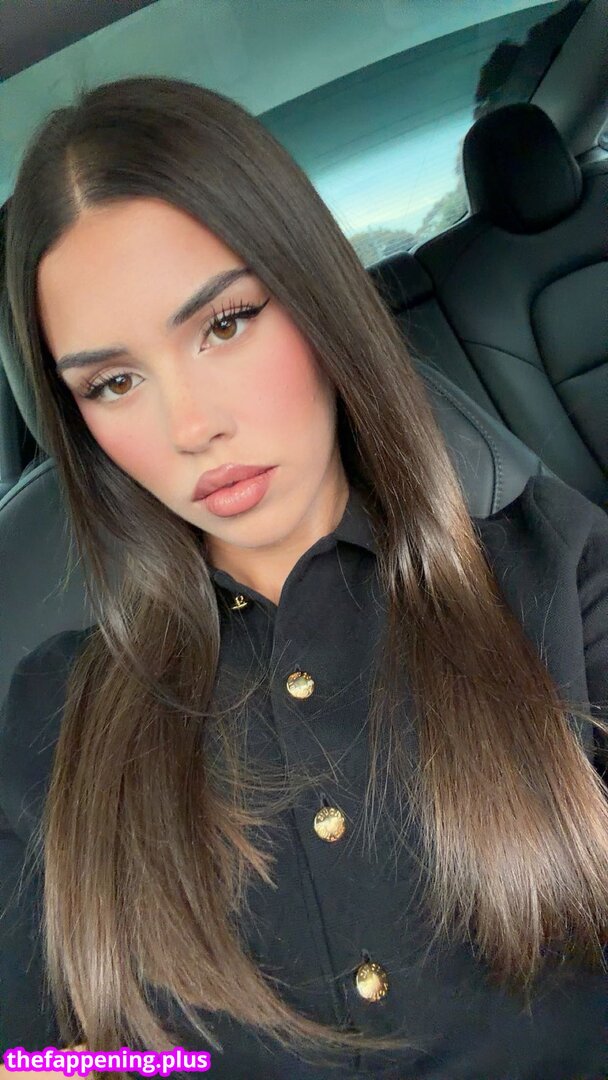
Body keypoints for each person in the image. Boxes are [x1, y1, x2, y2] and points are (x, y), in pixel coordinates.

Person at [0, 75, 607, 1080]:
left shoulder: (553, 567)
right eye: (114, 382)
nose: (191, 425)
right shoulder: (52, 722)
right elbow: (35, 1059)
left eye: (225, 323)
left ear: (316, 295)